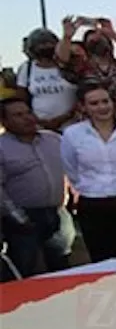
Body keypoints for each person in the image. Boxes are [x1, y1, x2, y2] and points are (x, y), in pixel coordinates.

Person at [61, 84, 116, 263]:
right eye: (94, 103)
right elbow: (71, 169)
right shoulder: (72, 134)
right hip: (94, 206)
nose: (102, 107)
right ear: (83, 107)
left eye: (105, 101)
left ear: (113, 103)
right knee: (102, 260)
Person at [0, 97, 71, 277]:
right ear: (4, 121)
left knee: (62, 267)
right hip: (23, 217)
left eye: (28, 112)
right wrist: (17, 216)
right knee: (24, 268)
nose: (27, 118)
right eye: (18, 115)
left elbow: (70, 167)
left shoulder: (54, 139)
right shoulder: (1, 147)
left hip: (57, 213)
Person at [14, 28, 76, 133]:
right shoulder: (26, 68)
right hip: (39, 127)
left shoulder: (70, 65)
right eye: (41, 44)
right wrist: (37, 120)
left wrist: (65, 117)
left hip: (72, 125)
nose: (46, 47)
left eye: (49, 43)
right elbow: (22, 98)